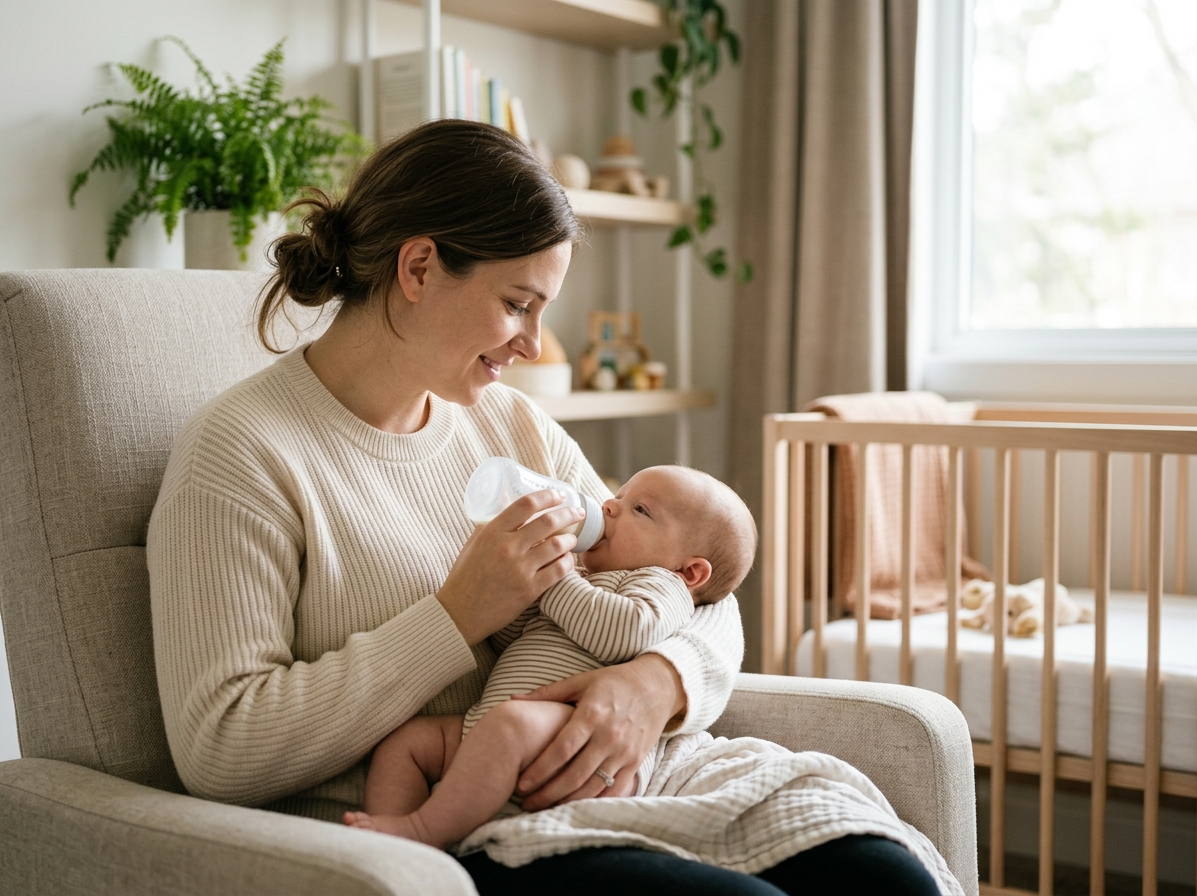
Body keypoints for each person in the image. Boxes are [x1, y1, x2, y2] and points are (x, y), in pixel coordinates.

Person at [147, 118, 943, 895]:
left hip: (597, 789)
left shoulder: (509, 423)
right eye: (518, 304)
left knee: (885, 877)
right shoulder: (242, 454)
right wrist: (455, 617)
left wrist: (657, 682)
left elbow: (693, 577)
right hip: (445, 826)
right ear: (418, 268)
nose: (532, 344)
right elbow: (221, 748)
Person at [344, 464, 757, 847]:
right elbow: (510, 635)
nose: (609, 505)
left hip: (574, 743)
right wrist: (500, 588)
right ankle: (391, 852)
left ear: (690, 573)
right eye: (619, 494)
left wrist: (554, 578)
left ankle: (423, 831)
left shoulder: (659, 583)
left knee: (509, 725)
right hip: (494, 731)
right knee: (407, 744)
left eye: (641, 510)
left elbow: (624, 631)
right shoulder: (586, 576)